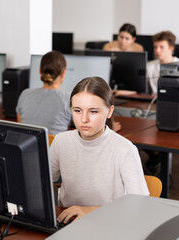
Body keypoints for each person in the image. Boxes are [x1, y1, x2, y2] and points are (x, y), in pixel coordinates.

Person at [50, 77, 149, 224]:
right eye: (77, 110)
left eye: (93, 112)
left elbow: (141, 205)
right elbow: (41, 183)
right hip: (69, 221)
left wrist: (91, 211)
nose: (84, 119)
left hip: (111, 223)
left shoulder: (124, 149)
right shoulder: (61, 141)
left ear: (109, 112)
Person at [15, 51, 72, 135]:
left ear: (40, 72)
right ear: (63, 73)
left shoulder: (25, 94)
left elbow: (22, 128)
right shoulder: (69, 99)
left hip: (28, 147)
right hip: (54, 147)